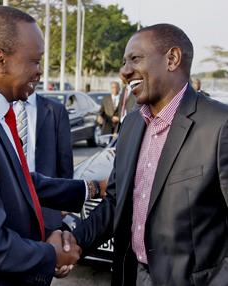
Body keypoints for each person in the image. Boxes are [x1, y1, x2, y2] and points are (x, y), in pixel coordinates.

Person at [0, 6, 103, 286]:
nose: (39, 72)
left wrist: (91, 188)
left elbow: (12, 180)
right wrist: (51, 255)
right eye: (35, 62)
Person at [63, 23, 228, 285]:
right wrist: (73, 240)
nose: (124, 71)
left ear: (172, 59)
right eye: (124, 61)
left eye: (135, 59)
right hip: (131, 276)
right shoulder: (131, 125)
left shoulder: (219, 124)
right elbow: (117, 202)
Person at [14, 89, 73, 235]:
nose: (36, 72)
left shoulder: (55, 110)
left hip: (46, 204)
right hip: (10, 201)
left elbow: (64, 158)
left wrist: (65, 199)